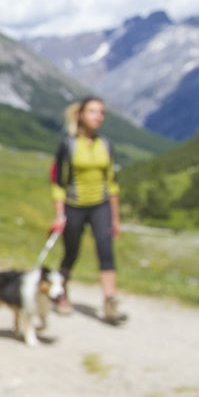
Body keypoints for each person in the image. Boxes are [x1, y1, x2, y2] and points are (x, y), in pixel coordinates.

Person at [49, 96, 127, 324]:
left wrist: (115, 217)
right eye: (93, 111)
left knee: (106, 251)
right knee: (71, 252)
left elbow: (111, 183)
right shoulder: (68, 144)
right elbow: (58, 182)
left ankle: (110, 302)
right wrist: (59, 213)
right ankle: (60, 292)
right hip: (74, 206)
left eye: (101, 112)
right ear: (80, 115)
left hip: (100, 205)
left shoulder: (106, 145)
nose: (98, 117)